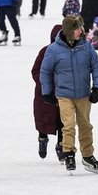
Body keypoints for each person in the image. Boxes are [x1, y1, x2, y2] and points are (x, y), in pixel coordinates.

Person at [39, 14, 98, 174]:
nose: (81, 31)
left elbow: (96, 66)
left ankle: (88, 156)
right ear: (69, 31)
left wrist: (97, 88)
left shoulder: (86, 46)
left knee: (85, 126)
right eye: (77, 29)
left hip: (83, 94)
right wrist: (47, 92)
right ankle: (68, 153)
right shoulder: (53, 49)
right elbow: (45, 71)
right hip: (64, 95)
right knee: (68, 125)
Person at [31, 24, 65, 161]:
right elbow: (35, 71)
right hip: (44, 94)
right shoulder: (45, 51)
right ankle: (42, 138)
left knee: (63, 121)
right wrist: (45, 85)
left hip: (63, 92)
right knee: (43, 119)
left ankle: (62, 145)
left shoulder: (69, 51)